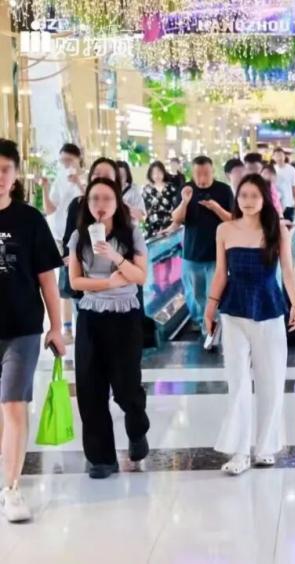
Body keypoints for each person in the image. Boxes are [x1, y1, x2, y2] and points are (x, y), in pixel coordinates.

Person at [204, 174, 295, 475]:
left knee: (271, 380)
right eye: (243, 195)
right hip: (234, 311)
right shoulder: (224, 229)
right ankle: (240, 451)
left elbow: (288, 269)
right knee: (238, 382)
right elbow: (220, 272)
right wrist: (210, 308)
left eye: (254, 196)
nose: (248, 201)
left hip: (269, 309)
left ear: (264, 199)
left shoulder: (276, 229)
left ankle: (265, 447)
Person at [0, 139, 65, 522]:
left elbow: (47, 279)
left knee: (13, 404)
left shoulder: (29, 220)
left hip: (22, 329)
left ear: (16, 174)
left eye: (5, 169)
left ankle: (11, 488)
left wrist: (56, 326)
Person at [68, 177, 150, 480]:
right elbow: (75, 281)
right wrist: (107, 283)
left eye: (106, 199)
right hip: (91, 315)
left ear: (117, 203)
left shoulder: (132, 234)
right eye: (94, 199)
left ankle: (137, 429)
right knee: (90, 388)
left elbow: (140, 276)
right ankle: (101, 457)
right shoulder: (79, 236)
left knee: (127, 387)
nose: (100, 205)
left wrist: (114, 256)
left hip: (125, 315)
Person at [170, 156, 233, 335]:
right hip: (192, 253)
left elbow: (233, 219)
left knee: (214, 294)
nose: (202, 178)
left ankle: (212, 328)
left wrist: (215, 208)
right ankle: (201, 321)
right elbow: (176, 218)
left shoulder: (224, 190)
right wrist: (185, 201)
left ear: (213, 171)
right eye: (197, 174)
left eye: (206, 173)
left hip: (217, 255)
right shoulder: (186, 189)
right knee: (195, 295)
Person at [42, 143, 85, 343]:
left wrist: (79, 183)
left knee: (82, 281)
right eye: (62, 161)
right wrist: (45, 188)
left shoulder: (86, 177)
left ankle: (84, 326)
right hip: (62, 238)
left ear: (78, 159)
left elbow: (93, 200)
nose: (66, 164)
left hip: (84, 238)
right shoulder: (60, 180)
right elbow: (50, 209)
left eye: (69, 160)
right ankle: (68, 330)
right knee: (66, 283)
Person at [141, 161, 180, 238]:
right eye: (154, 173)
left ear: (163, 172)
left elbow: (177, 206)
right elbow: (145, 209)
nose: (157, 175)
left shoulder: (171, 187)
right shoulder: (147, 190)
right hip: (153, 227)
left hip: (170, 225)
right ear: (150, 175)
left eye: (159, 172)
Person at [272, 148, 295, 222]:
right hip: (276, 204)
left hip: (289, 202)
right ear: (273, 157)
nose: (279, 158)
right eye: (277, 156)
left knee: (288, 222)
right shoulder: (272, 169)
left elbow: (294, 186)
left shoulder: (291, 169)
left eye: (281, 155)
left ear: (284, 156)